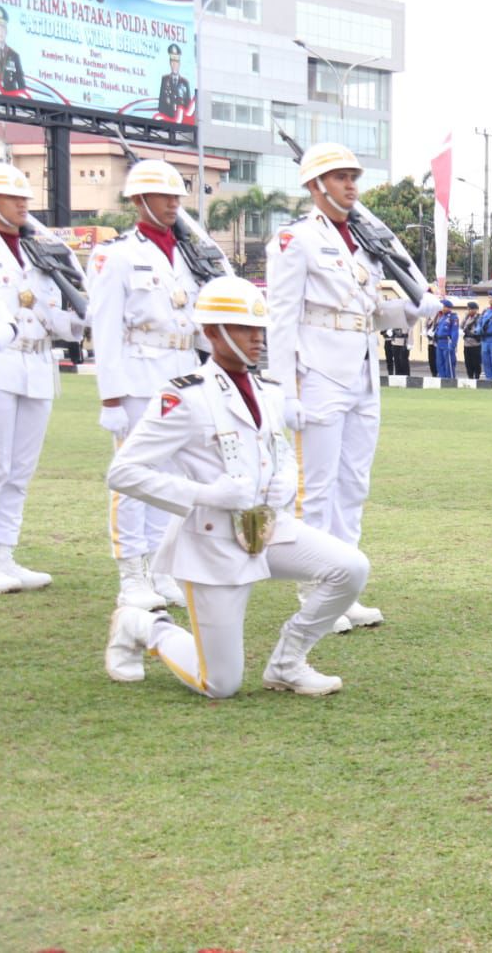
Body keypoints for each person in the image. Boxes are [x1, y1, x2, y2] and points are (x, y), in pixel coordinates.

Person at [103, 276, 369, 698]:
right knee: (219, 684)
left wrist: (285, 478)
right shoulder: (184, 398)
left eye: (260, 329)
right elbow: (124, 473)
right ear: (211, 333)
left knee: (350, 568)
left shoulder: (268, 392)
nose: (257, 339)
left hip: (267, 529)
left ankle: (288, 662)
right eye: (245, 328)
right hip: (212, 543)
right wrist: (204, 495)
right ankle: (143, 625)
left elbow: (275, 449)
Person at [264, 142, 440, 634]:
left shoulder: (365, 242)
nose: (350, 185)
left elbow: (364, 313)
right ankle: (314, 589)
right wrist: (285, 390)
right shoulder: (294, 241)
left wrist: (409, 310)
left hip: (363, 371)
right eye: (340, 177)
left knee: (353, 486)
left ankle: (344, 587)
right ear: (316, 186)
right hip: (316, 373)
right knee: (316, 489)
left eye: (352, 177)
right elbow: (281, 319)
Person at [89, 158, 231, 611]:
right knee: (132, 479)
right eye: (164, 196)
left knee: (172, 479)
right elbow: (106, 329)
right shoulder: (116, 255)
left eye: (177, 196)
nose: (174, 203)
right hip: (135, 375)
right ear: (139, 200)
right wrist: (109, 396)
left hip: (182, 371)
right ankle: (132, 573)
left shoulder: (192, 255)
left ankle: (161, 568)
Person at [0, 163, 84, 593]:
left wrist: (80, 315)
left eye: (26, 198)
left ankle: (5, 555)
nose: (23, 206)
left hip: (38, 365)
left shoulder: (38, 250)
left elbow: (59, 315)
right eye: (13, 198)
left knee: (21, 470)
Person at [0, 5, 26, 97]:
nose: (0, 32)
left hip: (10, 103)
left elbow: (22, 85)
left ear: (6, 31)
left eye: (3, 28)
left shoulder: (14, 56)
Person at [156, 44, 192, 124]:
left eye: (176, 62)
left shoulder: (185, 83)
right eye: (172, 62)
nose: (174, 65)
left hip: (180, 120)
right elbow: (161, 104)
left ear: (179, 64)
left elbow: (188, 106)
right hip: (166, 119)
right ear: (170, 63)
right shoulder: (165, 80)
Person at [431, 300, 459, 378]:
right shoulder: (442, 317)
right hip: (439, 342)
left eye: (443, 306)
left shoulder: (453, 317)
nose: (441, 308)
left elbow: (454, 332)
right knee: (439, 363)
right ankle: (442, 379)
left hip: (447, 342)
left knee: (448, 363)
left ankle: (450, 381)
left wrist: (453, 345)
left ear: (448, 307)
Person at [460, 301, 482, 379]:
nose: (468, 311)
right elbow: (461, 326)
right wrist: (465, 317)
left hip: (475, 344)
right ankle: (470, 376)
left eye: (470, 309)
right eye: (468, 309)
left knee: (476, 363)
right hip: (467, 344)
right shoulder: (467, 318)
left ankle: (477, 376)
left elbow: (479, 330)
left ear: (475, 310)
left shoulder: (479, 318)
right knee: (468, 363)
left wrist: (470, 332)